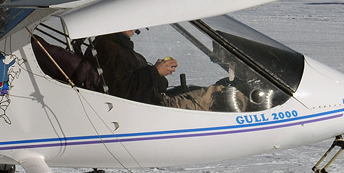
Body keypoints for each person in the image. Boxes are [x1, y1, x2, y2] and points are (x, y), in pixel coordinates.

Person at [93, 30, 239, 111]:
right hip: (154, 109)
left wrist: (157, 72)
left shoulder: (118, 47)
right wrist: (154, 72)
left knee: (202, 90)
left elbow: (145, 84)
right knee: (219, 95)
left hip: (156, 102)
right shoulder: (109, 49)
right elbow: (123, 93)